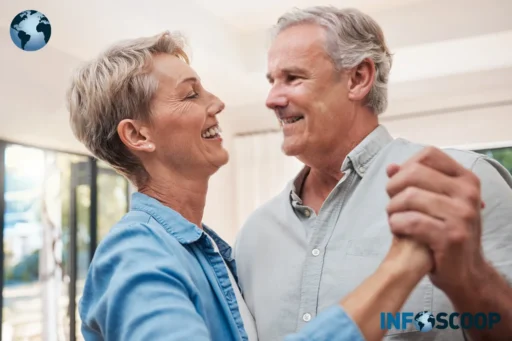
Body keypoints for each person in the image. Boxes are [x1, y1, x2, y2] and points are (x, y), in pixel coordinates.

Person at [67, 31, 436, 341]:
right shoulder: (135, 253)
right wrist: (399, 271)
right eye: (191, 94)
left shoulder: (209, 249)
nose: (217, 102)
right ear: (138, 134)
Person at [234, 6, 512, 341]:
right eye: (272, 81)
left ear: (358, 79)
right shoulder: (254, 235)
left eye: (293, 78)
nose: (272, 99)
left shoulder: (462, 185)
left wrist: (469, 276)